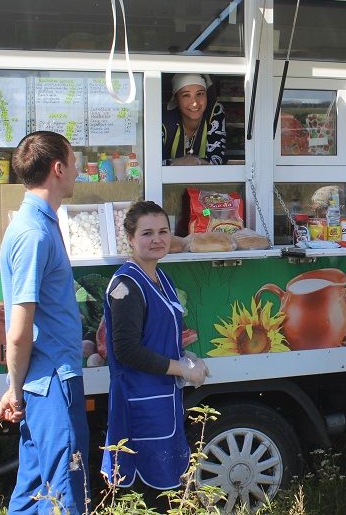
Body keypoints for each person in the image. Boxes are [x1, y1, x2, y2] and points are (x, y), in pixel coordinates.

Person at [0, 131, 89, 514]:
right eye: (74, 161)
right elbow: (19, 329)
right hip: (52, 384)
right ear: (58, 168)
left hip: (42, 380)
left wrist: (16, 386)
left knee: (33, 493)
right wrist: (14, 390)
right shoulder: (34, 233)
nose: (78, 169)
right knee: (65, 494)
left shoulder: (39, 223)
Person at [101, 200, 208, 498]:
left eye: (163, 231)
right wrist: (182, 369)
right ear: (130, 238)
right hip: (138, 402)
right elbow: (126, 350)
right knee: (147, 495)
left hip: (162, 400)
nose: (157, 239)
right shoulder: (126, 285)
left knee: (170, 489)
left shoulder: (162, 278)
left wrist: (184, 355)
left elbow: (156, 334)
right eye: (147, 233)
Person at [161, 73, 228, 166]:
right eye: (186, 95)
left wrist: (193, 162)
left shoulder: (214, 113)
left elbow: (217, 160)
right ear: (176, 99)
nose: (195, 103)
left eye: (200, 94)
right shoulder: (163, 120)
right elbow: (152, 163)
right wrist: (182, 162)